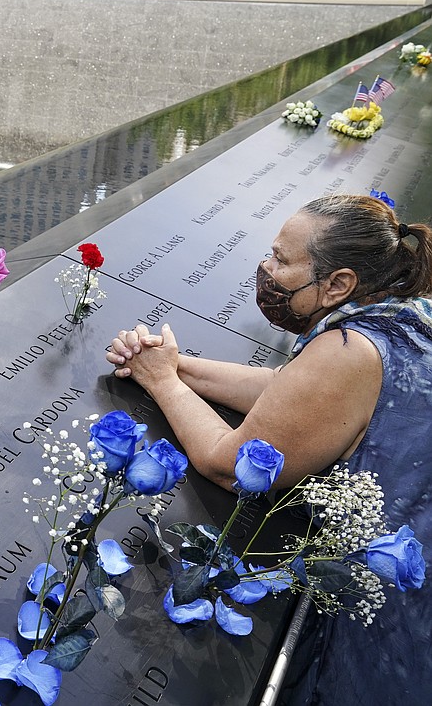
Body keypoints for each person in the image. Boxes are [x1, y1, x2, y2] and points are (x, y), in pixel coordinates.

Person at [105, 193, 432, 705]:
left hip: (396, 614)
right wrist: (174, 364)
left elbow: (229, 464)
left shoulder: (350, 353)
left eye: (281, 260)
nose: (265, 268)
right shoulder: (399, 309)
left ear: (338, 284)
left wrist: (164, 384)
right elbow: (291, 393)